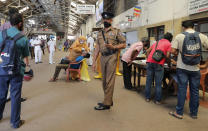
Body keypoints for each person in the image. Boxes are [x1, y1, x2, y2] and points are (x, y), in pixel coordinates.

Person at [169, 21, 208, 119]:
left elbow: (172, 51)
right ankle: (194, 113)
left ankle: (179, 113)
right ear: (193, 26)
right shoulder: (202, 36)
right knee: (194, 91)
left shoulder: (179, 36)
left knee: (182, 89)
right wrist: (206, 64)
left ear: (183, 27)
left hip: (182, 68)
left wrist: (178, 51)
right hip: (196, 68)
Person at [0, 13, 30, 128]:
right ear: (20, 23)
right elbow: (26, 55)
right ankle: (15, 122)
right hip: (16, 71)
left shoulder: (1, 34)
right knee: (15, 96)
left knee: (1, 94)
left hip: (2, 69)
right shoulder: (23, 38)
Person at [93, 12, 126, 110]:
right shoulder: (99, 33)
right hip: (102, 58)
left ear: (111, 20)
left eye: (108, 19)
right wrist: (94, 61)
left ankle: (106, 103)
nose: (105, 21)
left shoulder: (116, 31)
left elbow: (124, 44)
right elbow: (97, 48)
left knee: (109, 81)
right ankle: (108, 100)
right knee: (104, 81)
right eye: (104, 19)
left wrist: (114, 46)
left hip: (112, 56)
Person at [145, 32, 173, 104]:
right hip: (159, 64)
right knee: (158, 83)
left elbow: (147, 51)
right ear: (170, 39)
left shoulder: (157, 42)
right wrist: (169, 63)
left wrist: (148, 59)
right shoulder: (169, 44)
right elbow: (167, 56)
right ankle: (157, 100)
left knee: (148, 81)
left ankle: (147, 98)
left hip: (150, 62)